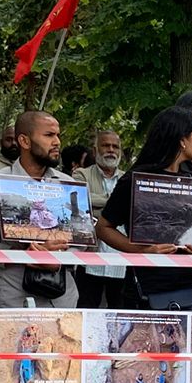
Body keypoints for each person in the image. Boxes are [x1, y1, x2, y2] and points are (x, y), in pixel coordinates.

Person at [0, 109, 78, 383]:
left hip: (60, 302)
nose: (57, 141)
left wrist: (60, 254)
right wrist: (24, 253)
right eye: (48, 135)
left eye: (57, 134)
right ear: (23, 140)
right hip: (14, 300)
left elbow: (84, 246)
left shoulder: (69, 186)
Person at [95, 106, 192, 311]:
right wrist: (141, 251)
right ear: (182, 141)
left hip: (190, 290)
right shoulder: (135, 181)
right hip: (145, 292)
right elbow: (103, 228)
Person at [76, 129, 125, 309]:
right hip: (90, 257)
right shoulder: (81, 174)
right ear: (95, 150)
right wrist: (115, 202)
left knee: (119, 313)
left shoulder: (127, 178)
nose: (111, 150)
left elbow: (132, 207)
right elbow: (80, 200)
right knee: (87, 310)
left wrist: (98, 204)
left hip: (121, 259)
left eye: (115, 147)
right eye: (106, 145)